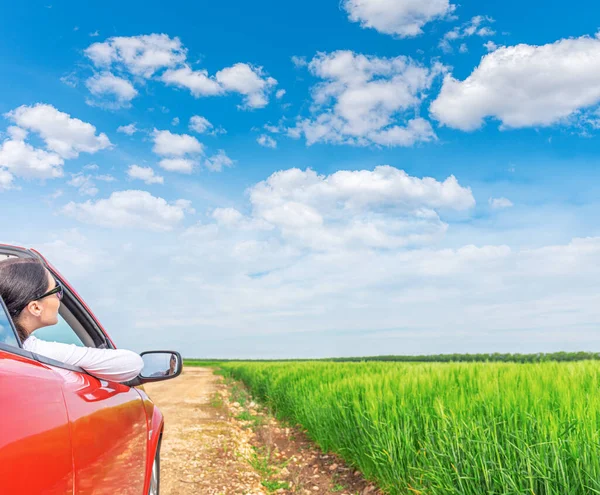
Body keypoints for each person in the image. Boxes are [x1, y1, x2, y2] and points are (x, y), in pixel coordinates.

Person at [0, 258, 144, 383]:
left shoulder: (11, 347)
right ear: (35, 308)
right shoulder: (33, 349)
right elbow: (131, 364)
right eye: (56, 290)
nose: (59, 298)